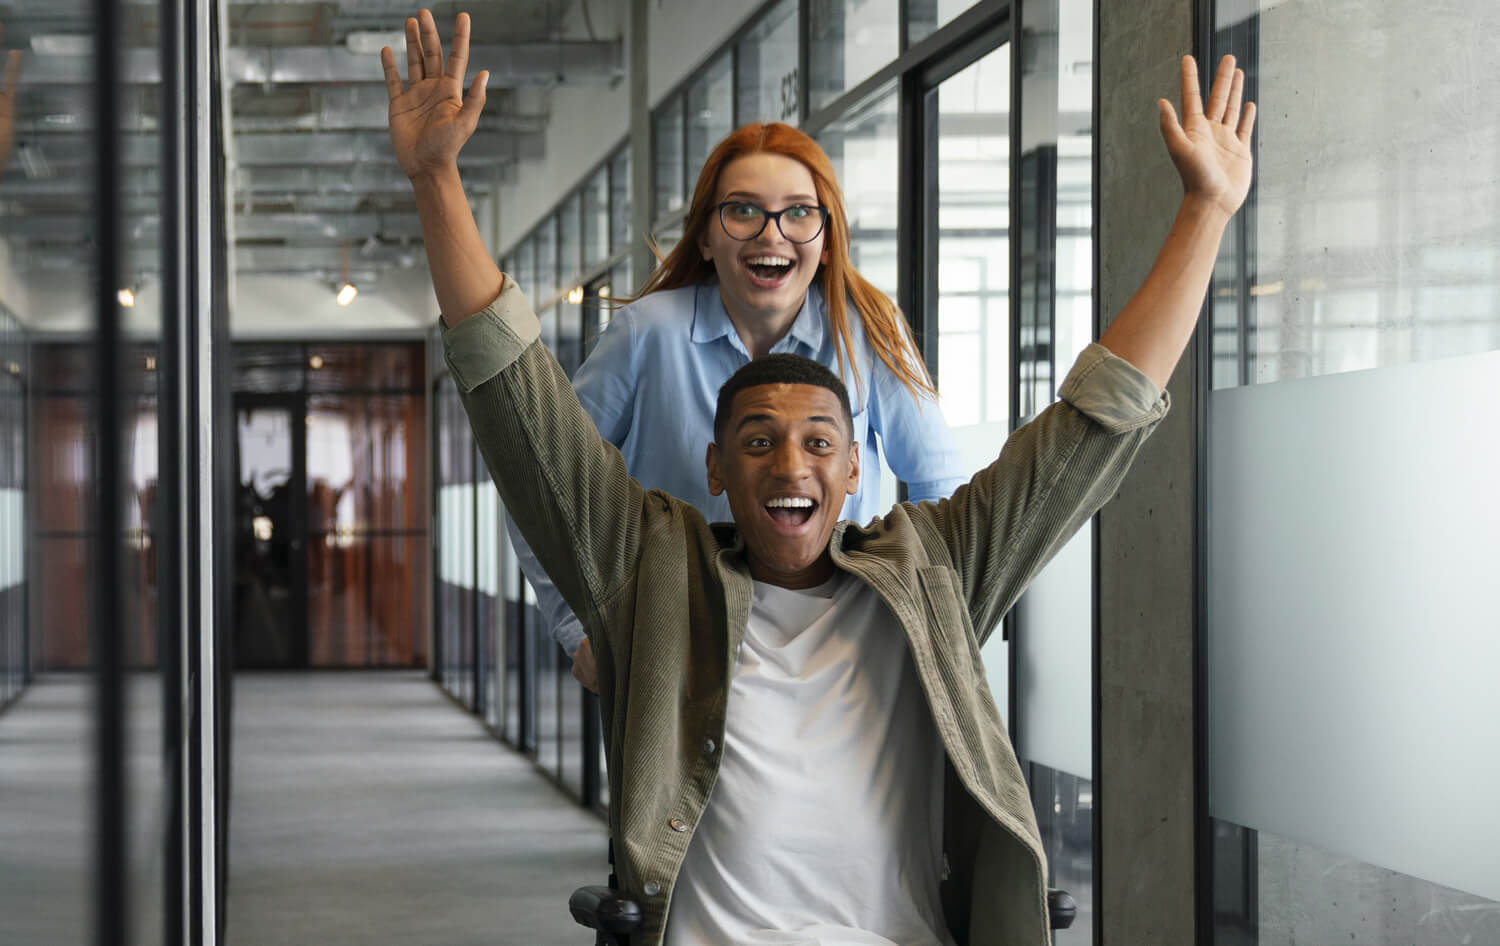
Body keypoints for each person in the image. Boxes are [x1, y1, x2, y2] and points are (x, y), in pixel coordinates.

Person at [386, 11, 1254, 946]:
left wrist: (1204, 211)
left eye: (821, 443)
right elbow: (522, 411)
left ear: (854, 468)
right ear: (715, 469)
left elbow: (1092, 425)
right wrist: (437, 177)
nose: (791, 464)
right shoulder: (656, 583)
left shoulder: (928, 575)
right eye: (756, 442)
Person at [386, 11, 964, 693]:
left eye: (799, 212)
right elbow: (539, 485)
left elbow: (942, 491)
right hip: (676, 650)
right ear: (709, 235)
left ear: (829, 238)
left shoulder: (866, 328)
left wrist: (908, 614)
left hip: (833, 651)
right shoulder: (648, 334)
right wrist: (579, 625)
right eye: (742, 210)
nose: (770, 233)